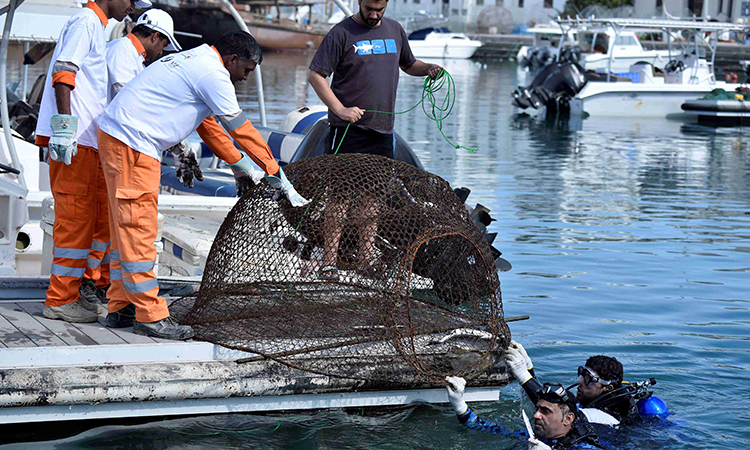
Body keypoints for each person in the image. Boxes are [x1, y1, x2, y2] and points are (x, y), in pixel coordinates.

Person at [97, 31, 309, 340]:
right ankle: (150, 315)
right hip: (133, 146)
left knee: (124, 230)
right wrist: (277, 172)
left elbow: (208, 126)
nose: (246, 79)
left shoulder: (194, 60)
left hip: (119, 138)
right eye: (246, 70)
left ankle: (121, 307)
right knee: (138, 230)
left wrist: (240, 167)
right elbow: (240, 129)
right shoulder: (213, 74)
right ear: (232, 59)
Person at [34, 0, 152, 324]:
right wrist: (64, 128)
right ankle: (59, 299)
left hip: (88, 141)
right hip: (76, 141)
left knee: (89, 219)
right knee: (74, 220)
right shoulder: (87, 21)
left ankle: (71, 292)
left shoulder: (96, 27)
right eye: (130, 0)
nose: (131, 8)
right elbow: (64, 73)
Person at [307, 0, 442, 280]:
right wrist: (340, 109)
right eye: (369, 8)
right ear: (359, 2)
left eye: (379, 9)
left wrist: (427, 68)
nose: (374, 14)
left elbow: (409, 64)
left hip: (383, 130)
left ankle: (366, 261)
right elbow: (316, 75)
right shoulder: (341, 33)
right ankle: (329, 263)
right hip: (348, 129)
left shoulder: (395, 30)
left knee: (372, 197)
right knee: (340, 198)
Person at [446, 376, 607, 449]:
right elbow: (485, 428)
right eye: (538, 409)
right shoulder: (530, 437)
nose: (536, 415)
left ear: (568, 419)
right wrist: (459, 403)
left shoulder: (585, 447)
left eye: (546, 411)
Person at [505, 342, 634, 426]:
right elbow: (549, 396)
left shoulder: (607, 418)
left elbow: (556, 411)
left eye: (588, 378)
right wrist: (528, 367)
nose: (580, 381)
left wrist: (523, 375)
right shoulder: (591, 400)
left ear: (607, 388)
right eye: (581, 373)